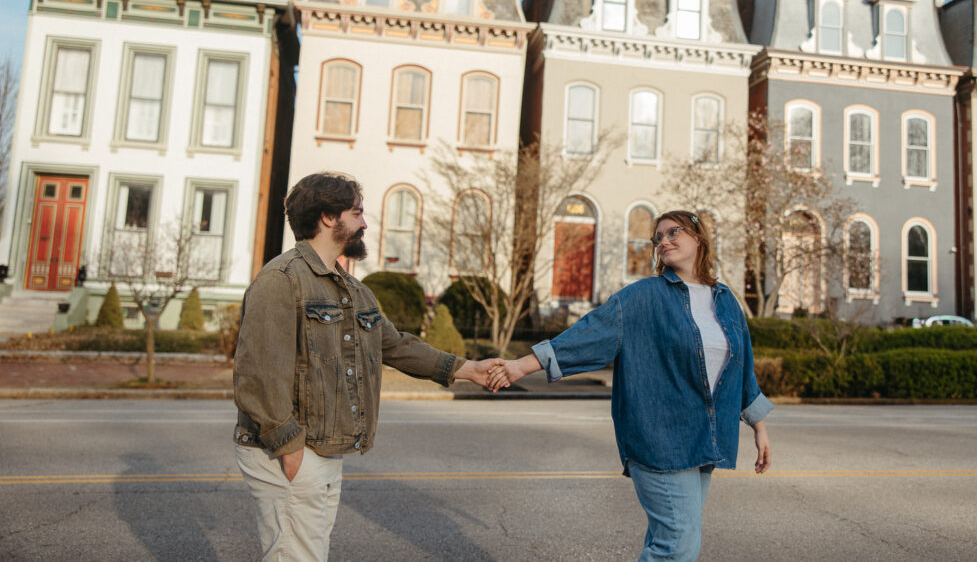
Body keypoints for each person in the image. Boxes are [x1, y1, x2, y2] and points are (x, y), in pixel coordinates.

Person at [233, 172, 507, 561]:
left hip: (324, 448)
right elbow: (258, 374)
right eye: (357, 213)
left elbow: (394, 344)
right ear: (328, 217)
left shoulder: (352, 289)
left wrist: (468, 369)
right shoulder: (281, 279)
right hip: (290, 449)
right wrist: (289, 448)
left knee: (306, 554)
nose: (364, 224)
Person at [492, 209, 772, 561]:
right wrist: (520, 366)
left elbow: (741, 366)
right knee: (679, 545)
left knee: (667, 541)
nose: (663, 242)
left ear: (698, 237)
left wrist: (759, 427)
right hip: (659, 441)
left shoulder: (725, 300)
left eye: (673, 233)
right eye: (658, 238)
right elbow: (587, 337)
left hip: (704, 439)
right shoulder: (643, 297)